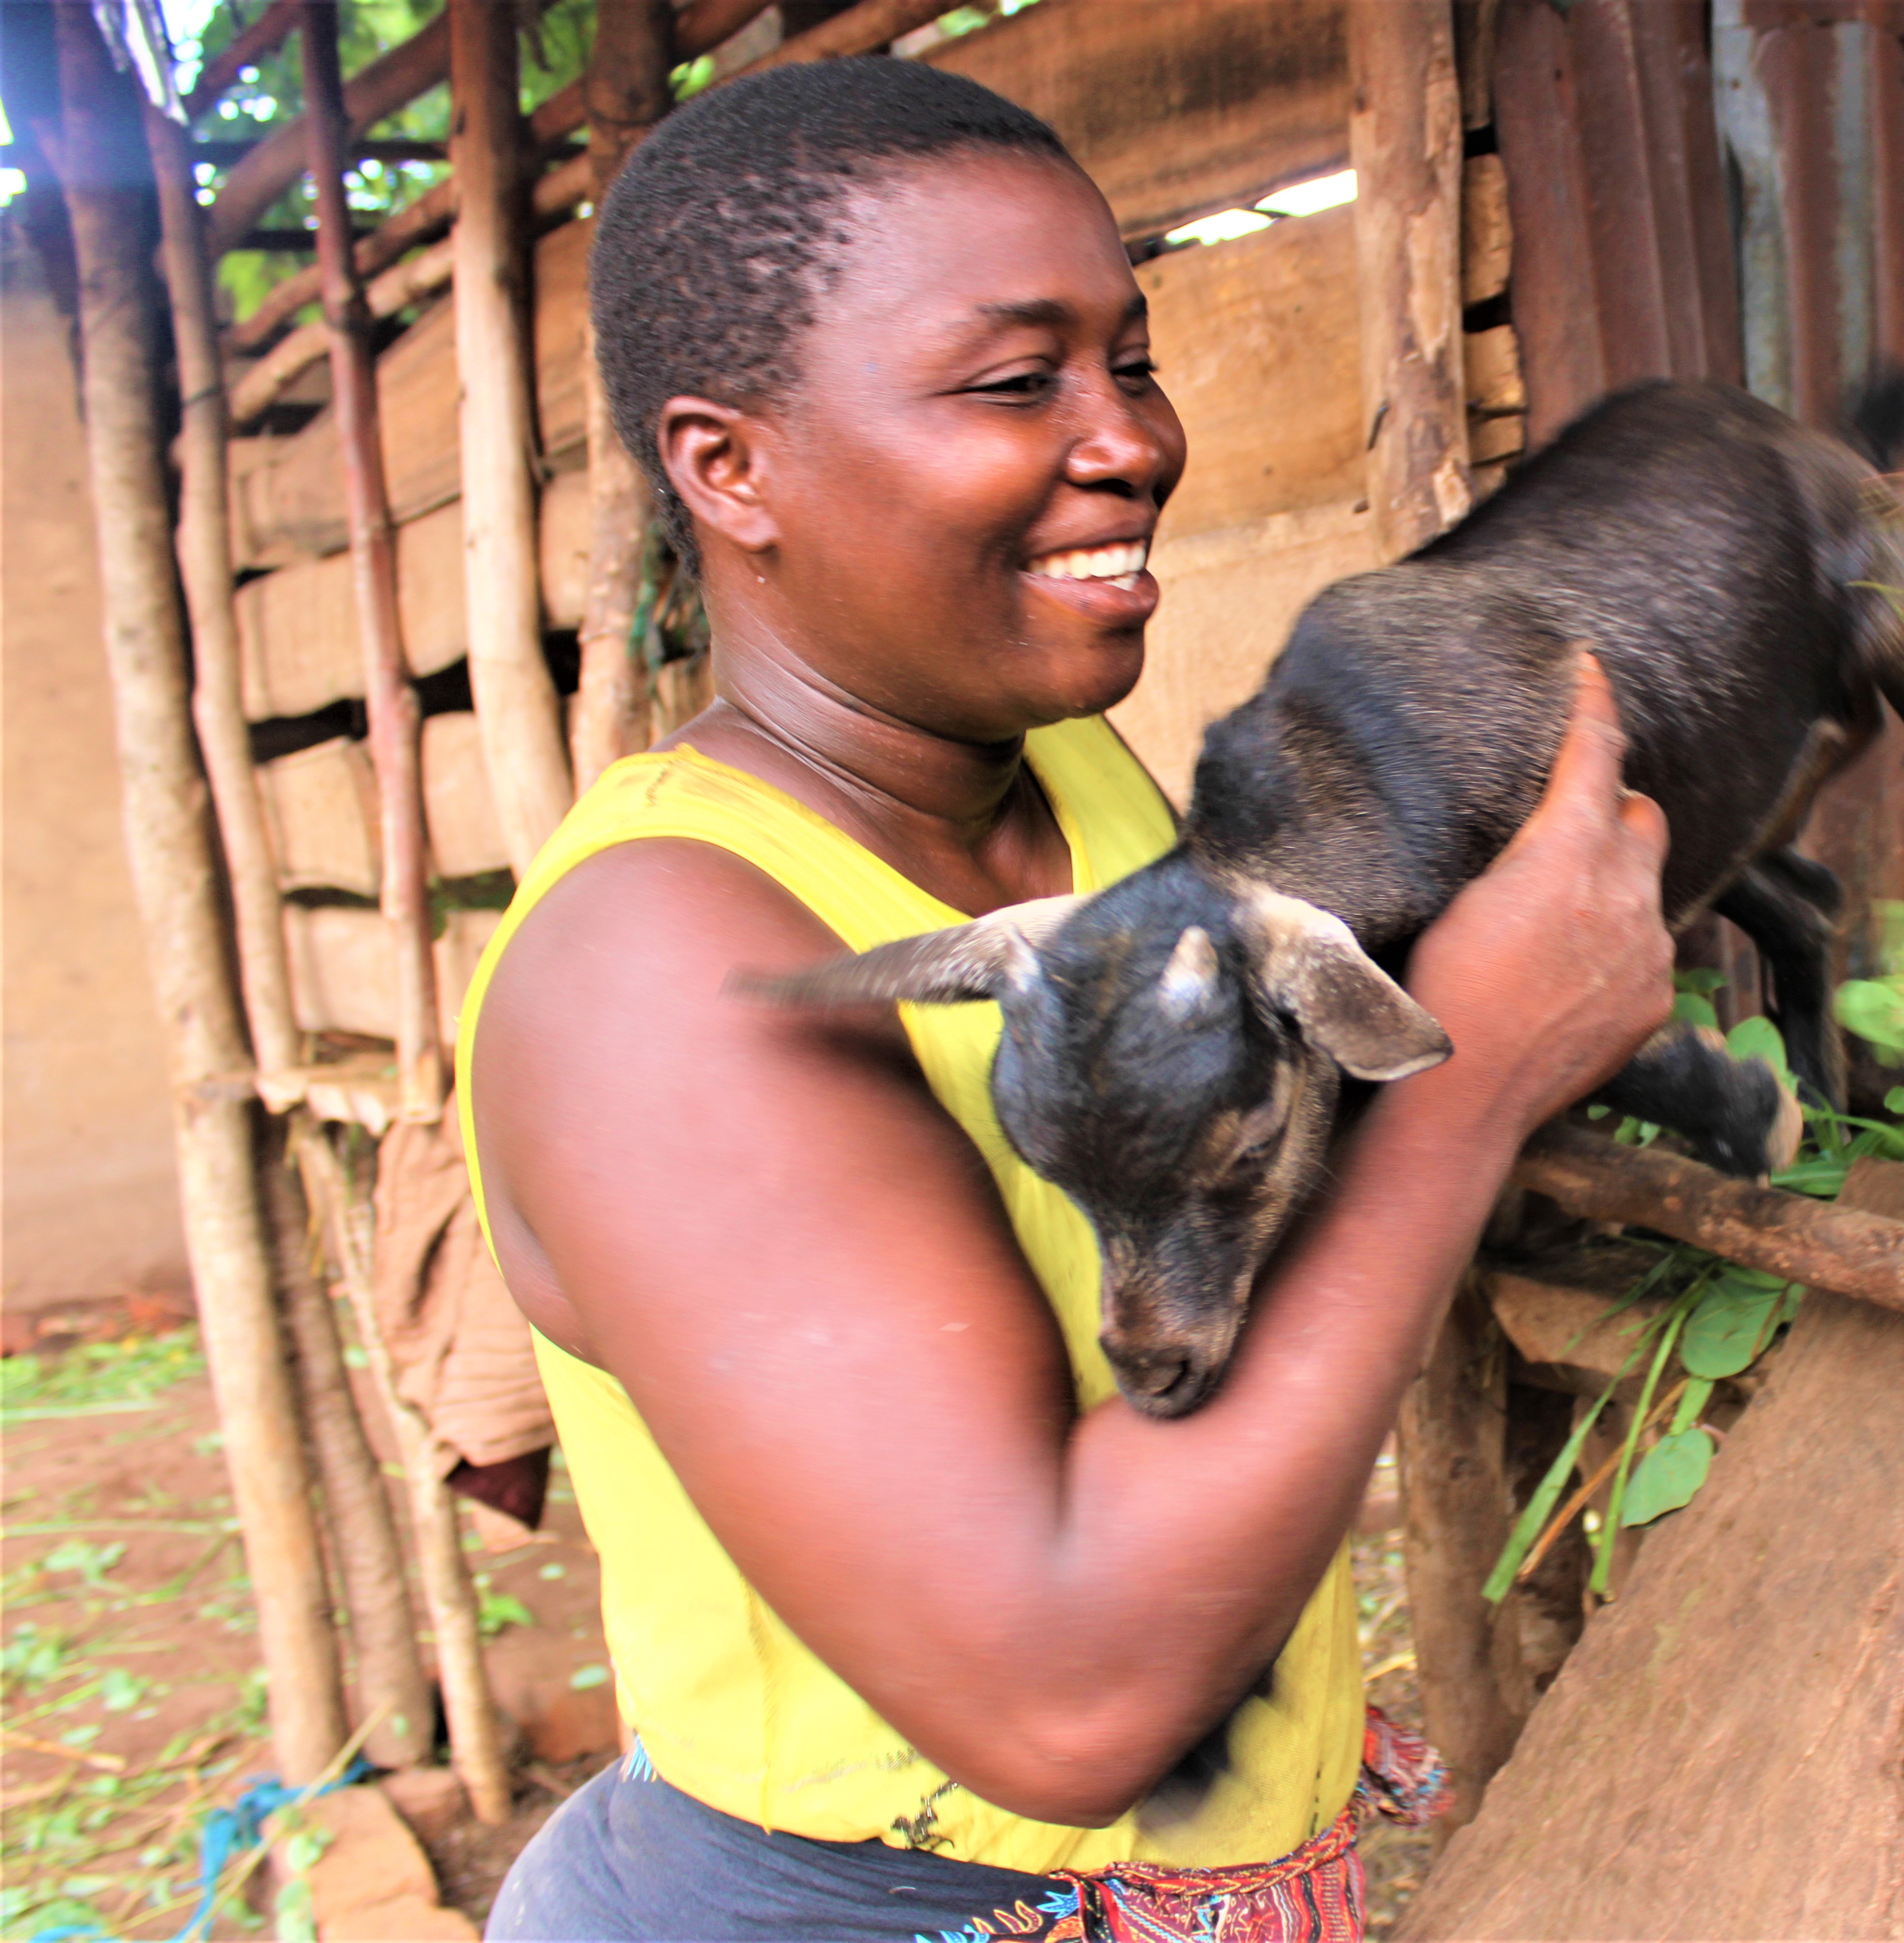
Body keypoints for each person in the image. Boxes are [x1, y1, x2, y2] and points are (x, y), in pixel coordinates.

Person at [465, 55, 1674, 1942]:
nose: (1132, 439)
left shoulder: (1067, 783)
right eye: (1015, 382)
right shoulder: (671, 971)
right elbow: (1062, 1688)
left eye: (1135, 358)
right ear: (730, 465)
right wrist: (1485, 1072)